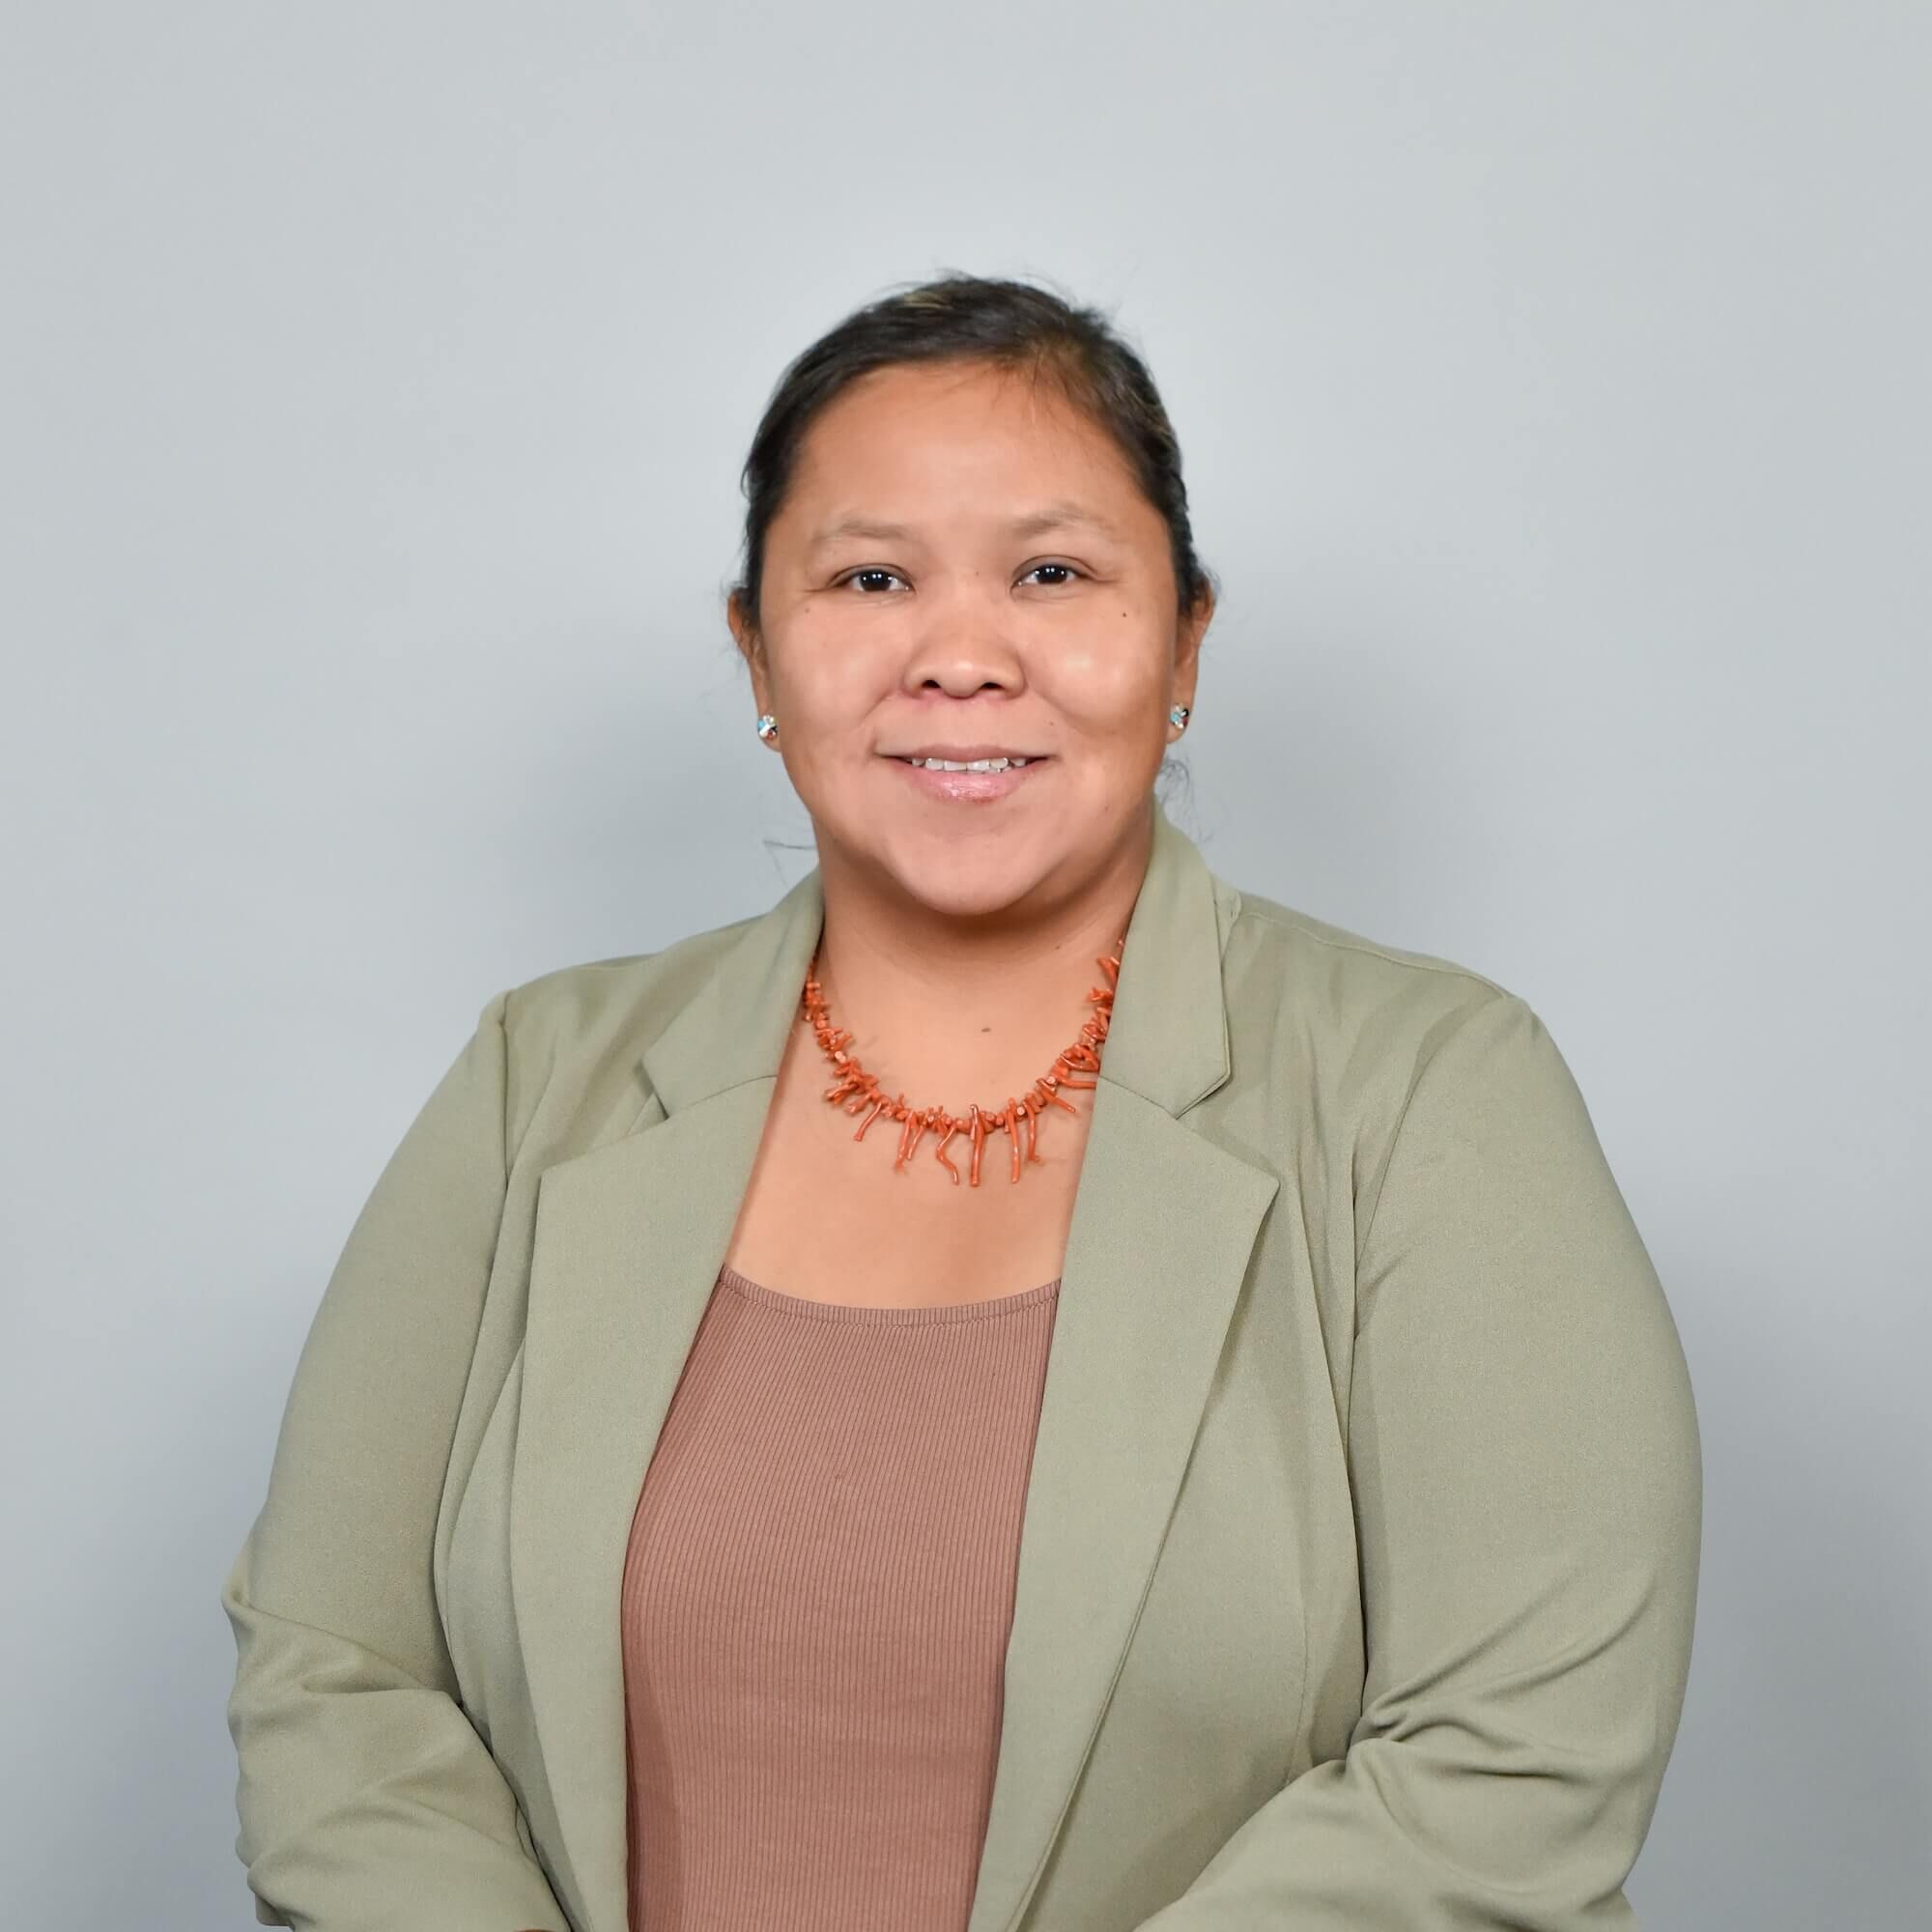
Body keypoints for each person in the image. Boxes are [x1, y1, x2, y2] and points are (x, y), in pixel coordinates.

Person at [220, 272, 1702, 1932]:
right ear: (755, 647)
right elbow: (334, 1676)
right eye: (870, 578)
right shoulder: (535, 1081)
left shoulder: (1433, 1095)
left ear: (1188, 635)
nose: (961, 660)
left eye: (1053, 573)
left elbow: (1513, 1767)